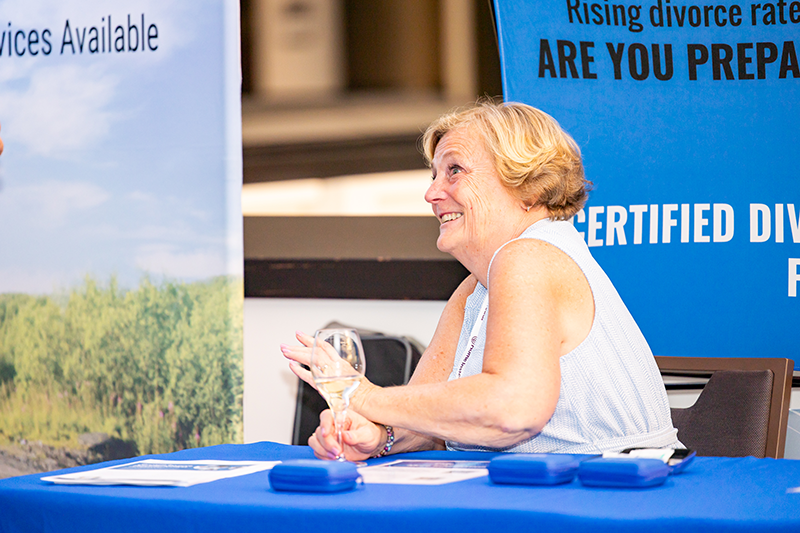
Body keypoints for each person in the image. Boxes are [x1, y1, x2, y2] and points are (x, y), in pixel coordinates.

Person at [282, 100, 679, 461]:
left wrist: (365, 396)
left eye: (454, 171)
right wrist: (378, 437)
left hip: (613, 491)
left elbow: (512, 410)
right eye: (434, 175)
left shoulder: (528, 257)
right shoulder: (476, 285)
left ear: (527, 184)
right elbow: (425, 423)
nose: (431, 193)